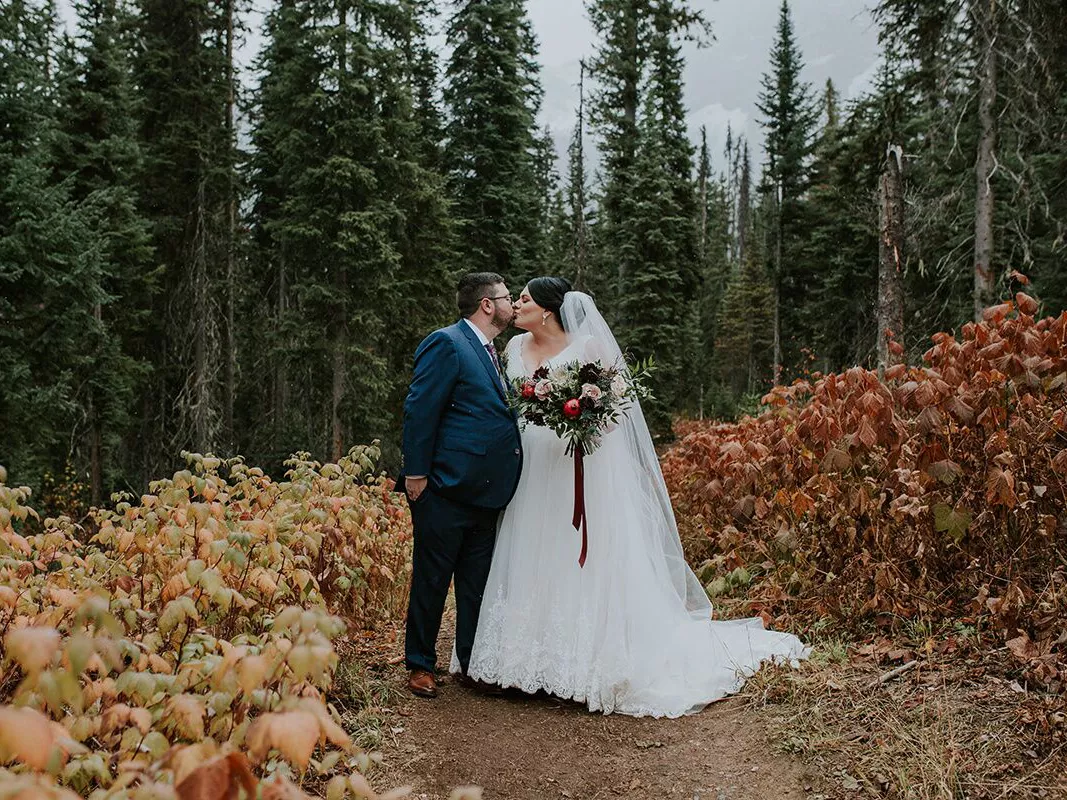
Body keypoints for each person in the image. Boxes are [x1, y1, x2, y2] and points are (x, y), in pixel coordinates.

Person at [452, 277, 808, 718]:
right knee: (530, 551)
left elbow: (615, 416)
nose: (517, 305)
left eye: (524, 298)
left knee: (575, 557)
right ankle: (523, 663)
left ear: (546, 309)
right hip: (531, 471)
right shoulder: (512, 351)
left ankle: (579, 666)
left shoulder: (587, 349)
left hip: (576, 469)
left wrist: (583, 422)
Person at [399, 272, 522, 698]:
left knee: (477, 585)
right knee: (433, 580)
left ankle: (473, 663)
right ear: (487, 304)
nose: (514, 304)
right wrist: (416, 474)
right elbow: (420, 408)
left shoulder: (493, 352)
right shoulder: (447, 342)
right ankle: (420, 663)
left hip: (487, 493)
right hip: (445, 489)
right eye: (508, 297)